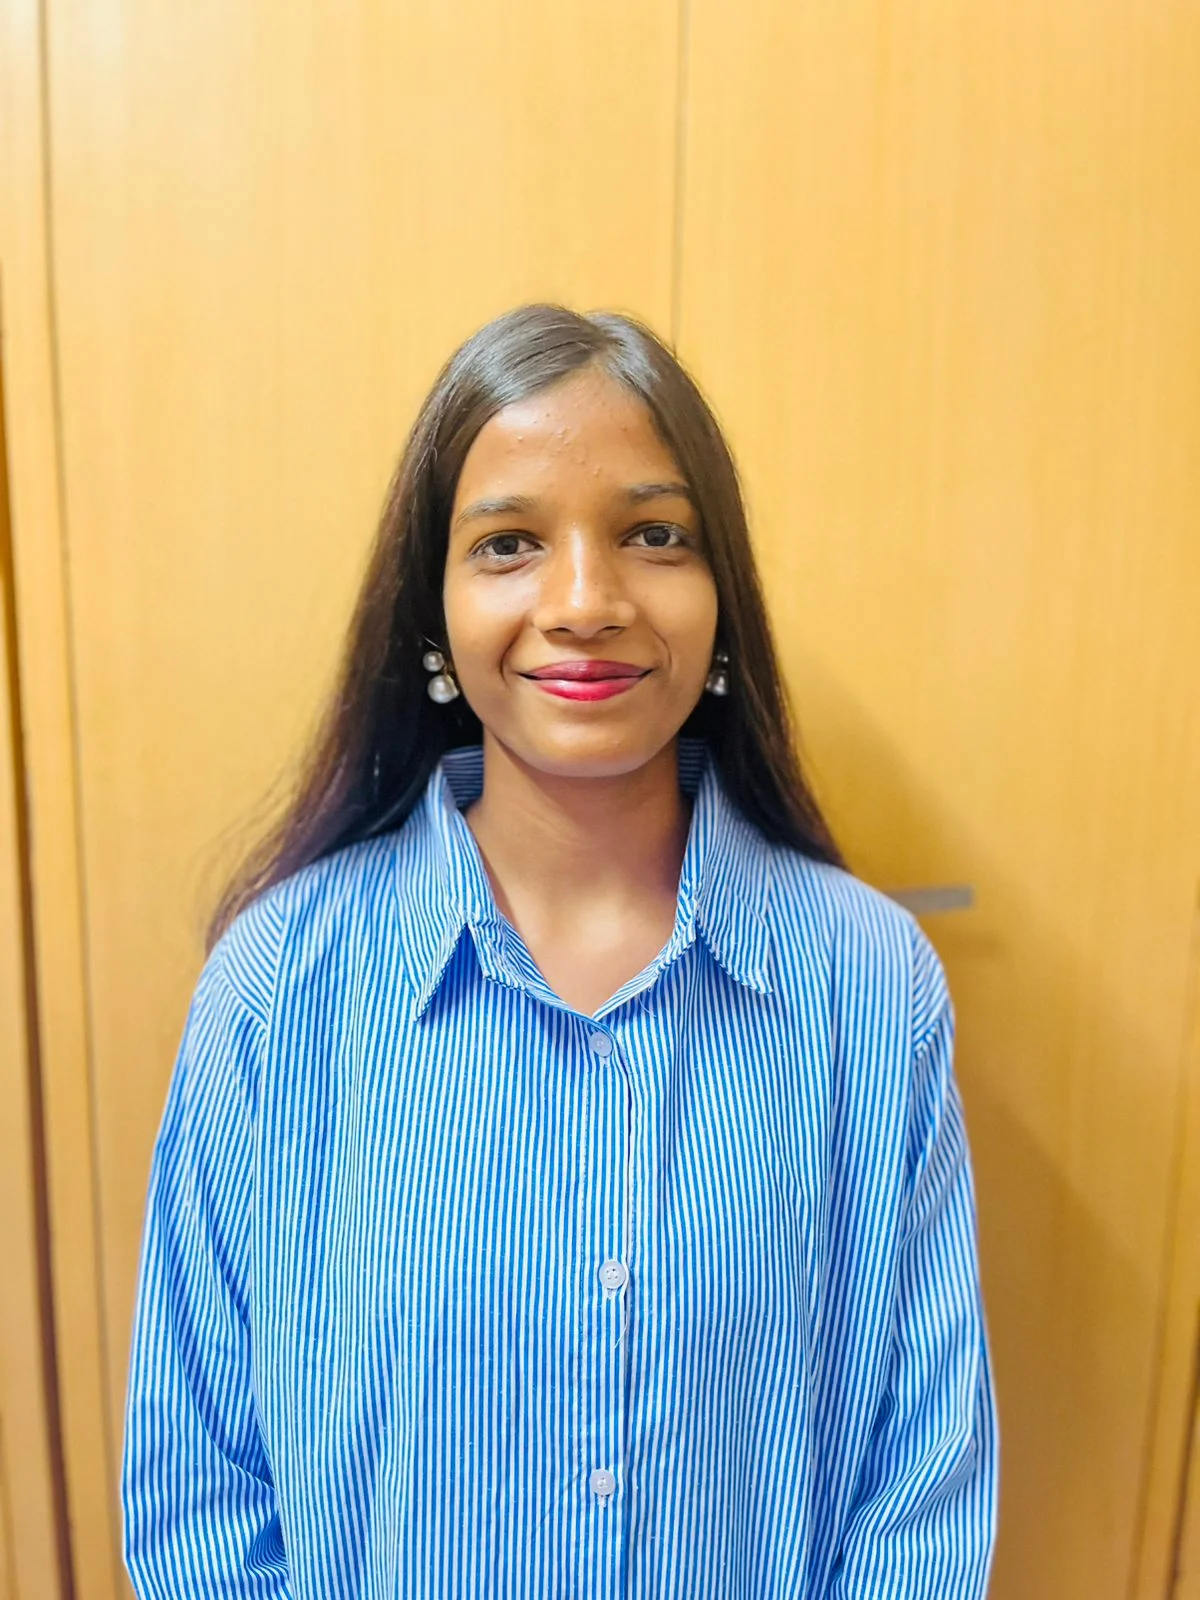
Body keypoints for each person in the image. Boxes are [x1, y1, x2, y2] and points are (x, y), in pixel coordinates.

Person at [121, 304, 998, 1598]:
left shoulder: (869, 986)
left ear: (721, 599)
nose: (585, 603)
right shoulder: (277, 989)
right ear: (433, 612)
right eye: (509, 544)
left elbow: (916, 1491)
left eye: (653, 535)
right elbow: (203, 1492)